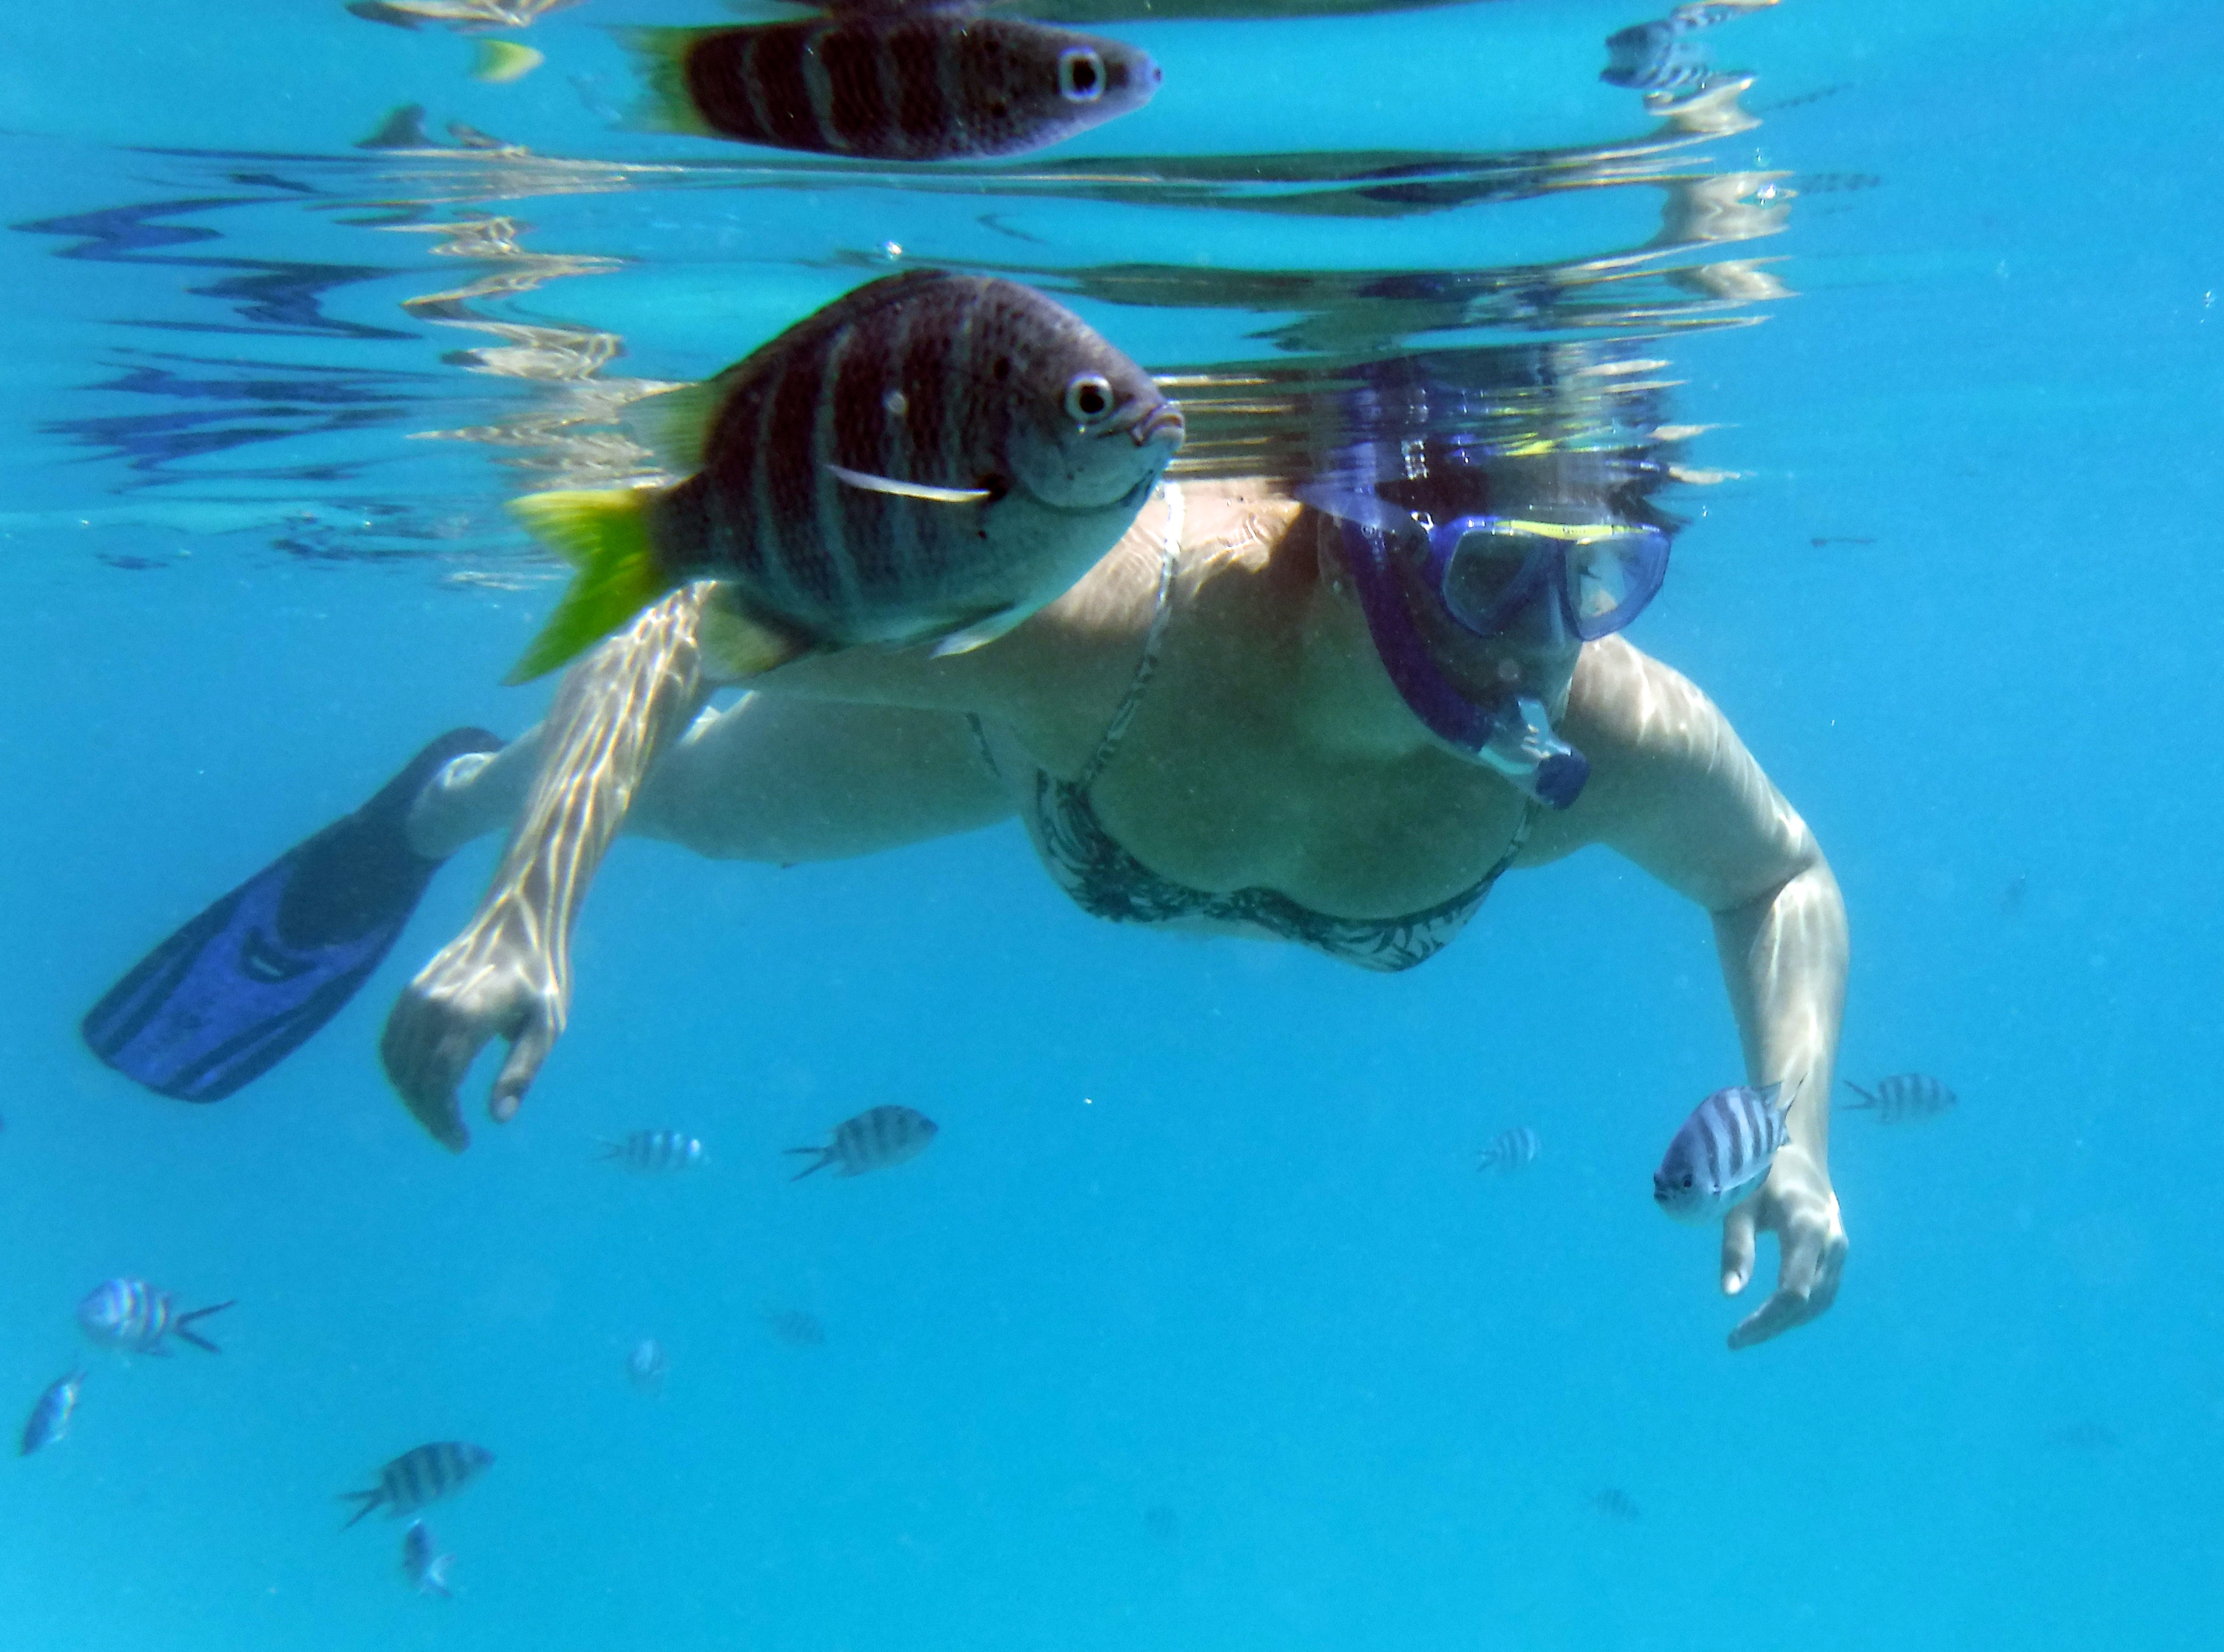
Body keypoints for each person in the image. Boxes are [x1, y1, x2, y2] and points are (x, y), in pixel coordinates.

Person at [87, 350, 1847, 1350]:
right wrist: (525, 908)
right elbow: (685, 610)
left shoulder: (1607, 737)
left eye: (1597, 576)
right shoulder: (1100, 614)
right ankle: (446, 799)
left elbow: (1778, 878)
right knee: (683, 802)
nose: (1539, 644)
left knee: (690, 805)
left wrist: (1808, 1142)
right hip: (1051, 754)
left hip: (1114, 785)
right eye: (1491, 574)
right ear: (1359, 536)